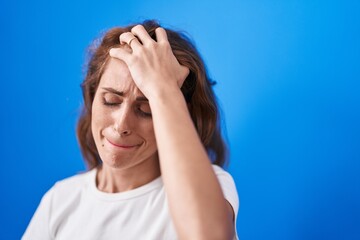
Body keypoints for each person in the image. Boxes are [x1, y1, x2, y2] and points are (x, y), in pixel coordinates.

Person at [22, 20, 239, 240]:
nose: (121, 125)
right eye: (110, 101)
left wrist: (163, 89)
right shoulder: (60, 199)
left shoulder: (213, 187)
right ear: (91, 97)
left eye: (146, 110)